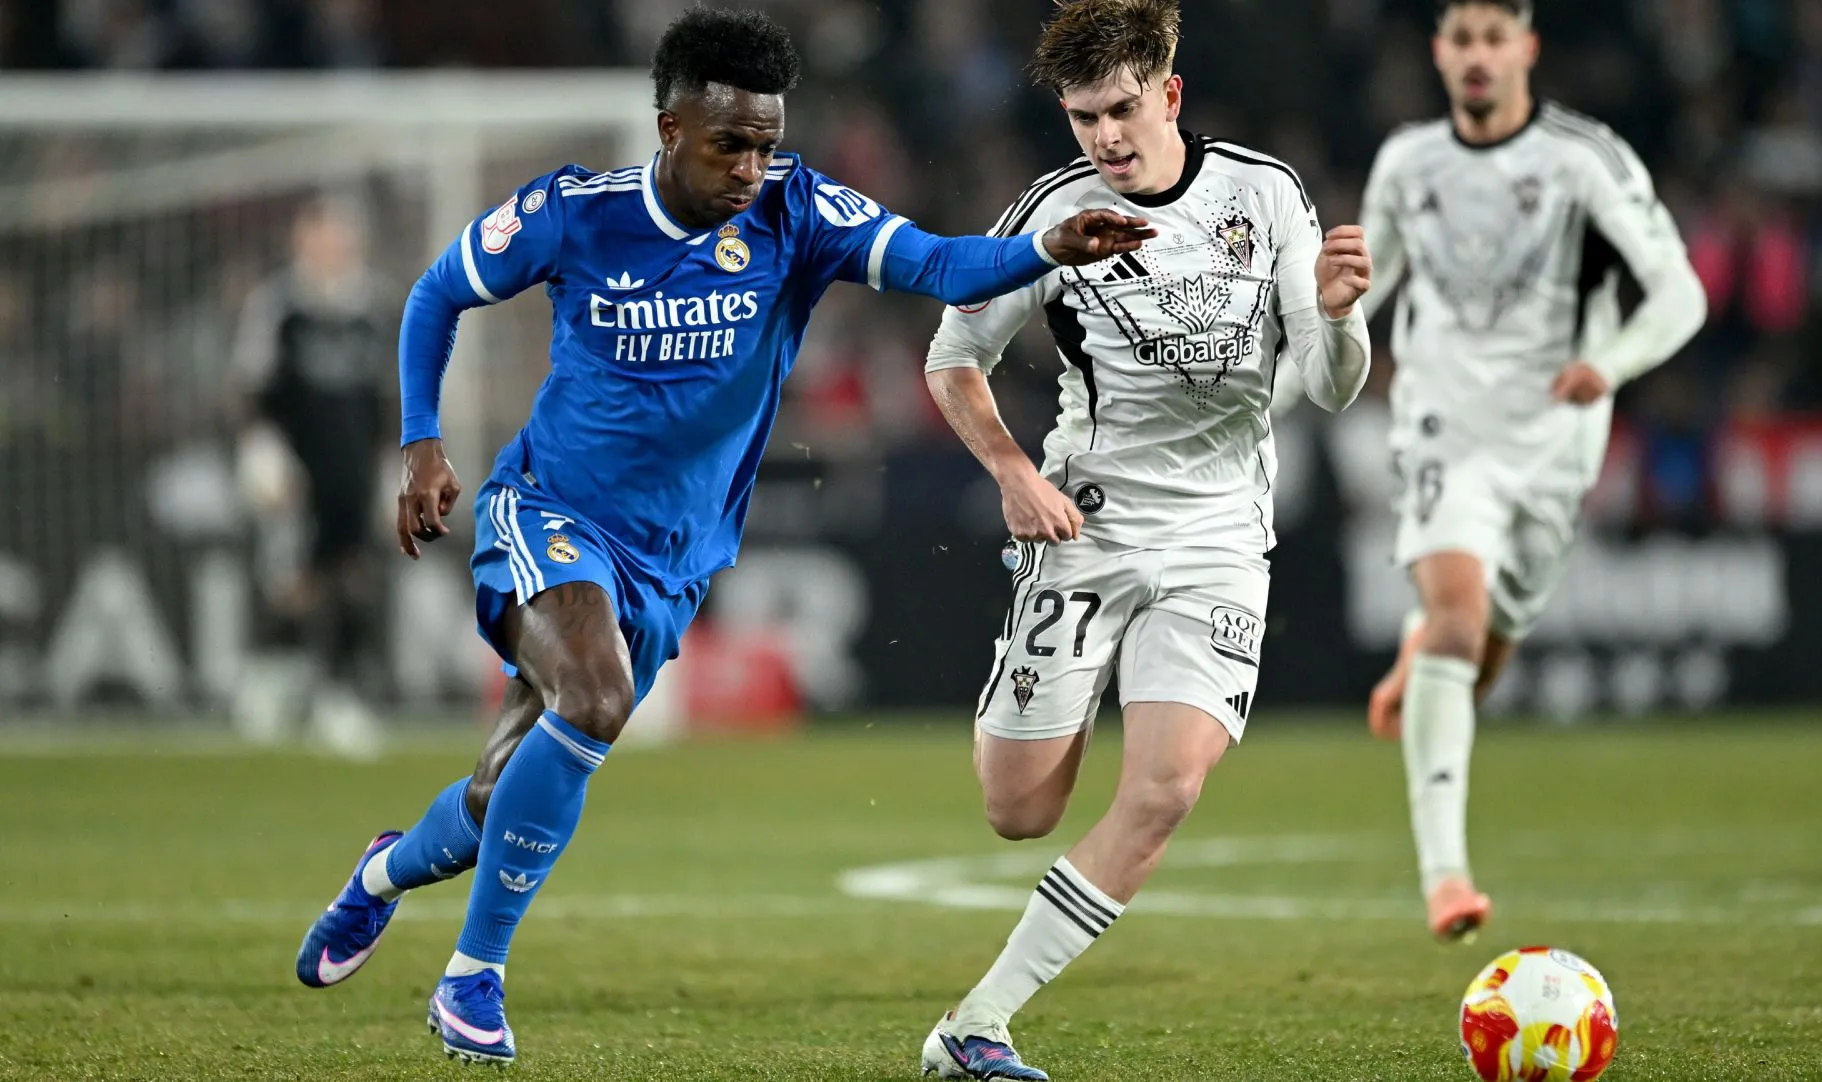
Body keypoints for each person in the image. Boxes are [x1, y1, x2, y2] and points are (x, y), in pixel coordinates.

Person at [290, 7, 1153, 1065]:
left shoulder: (798, 213)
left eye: (767, 143)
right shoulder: (574, 214)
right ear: (668, 128)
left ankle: (380, 872)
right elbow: (435, 295)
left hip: (674, 556)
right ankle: (474, 977)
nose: (752, 166)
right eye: (728, 142)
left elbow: (936, 265)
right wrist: (421, 442)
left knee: (498, 788)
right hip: (549, 511)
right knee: (595, 697)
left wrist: (1042, 248)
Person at [916, 1, 1373, 1077]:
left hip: (1218, 535)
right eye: (1083, 118)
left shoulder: (1264, 196)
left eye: (1123, 108)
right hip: (1089, 522)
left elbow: (1326, 385)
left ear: (1169, 95)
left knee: (1165, 790)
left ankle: (976, 1023)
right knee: (1019, 809)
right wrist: (1014, 473)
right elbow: (952, 355)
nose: (1107, 138)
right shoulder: (1053, 209)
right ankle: (1027, 666)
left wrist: (1342, 316)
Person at [1358, 0, 1707, 941]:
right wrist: (1324, 316)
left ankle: (1422, 648)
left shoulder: (1581, 159)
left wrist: (1614, 363)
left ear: (1526, 49)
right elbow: (1364, 291)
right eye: (1460, 39)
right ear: (1440, 52)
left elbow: (1681, 292)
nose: (1477, 57)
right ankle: (1445, 877)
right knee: (1463, 624)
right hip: (1441, 426)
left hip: (1555, 436)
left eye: (1493, 39)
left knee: (1491, 639)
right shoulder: (1407, 164)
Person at [230, 194, 392, 757]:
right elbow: (252, 387)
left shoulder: (371, 310)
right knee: (292, 580)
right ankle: (266, 681)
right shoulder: (279, 308)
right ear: (301, 244)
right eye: (319, 240)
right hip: (294, 467)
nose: (331, 252)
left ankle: (336, 696)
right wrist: (261, 451)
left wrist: (393, 461)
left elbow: (385, 395)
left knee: (349, 573)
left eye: (339, 241)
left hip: (351, 466)